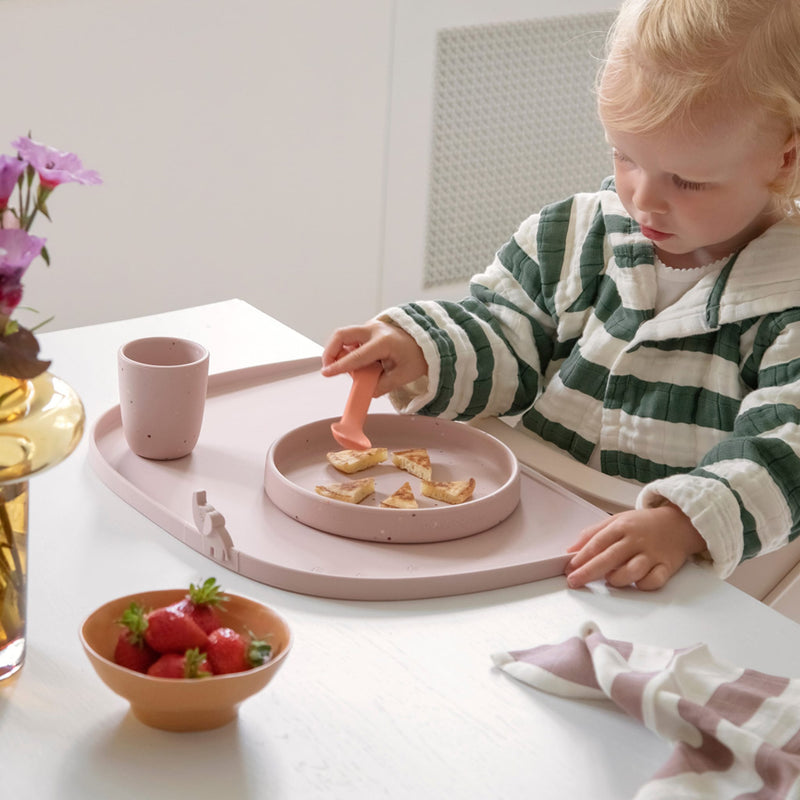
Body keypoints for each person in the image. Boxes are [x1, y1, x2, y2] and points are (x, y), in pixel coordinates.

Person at [321, 0, 800, 592]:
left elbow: (787, 450)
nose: (644, 198)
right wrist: (421, 346)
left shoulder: (788, 305)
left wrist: (684, 524)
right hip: (538, 532)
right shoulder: (573, 236)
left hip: (681, 584)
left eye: (688, 180)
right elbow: (505, 330)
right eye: (625, 156)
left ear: (786, 155)